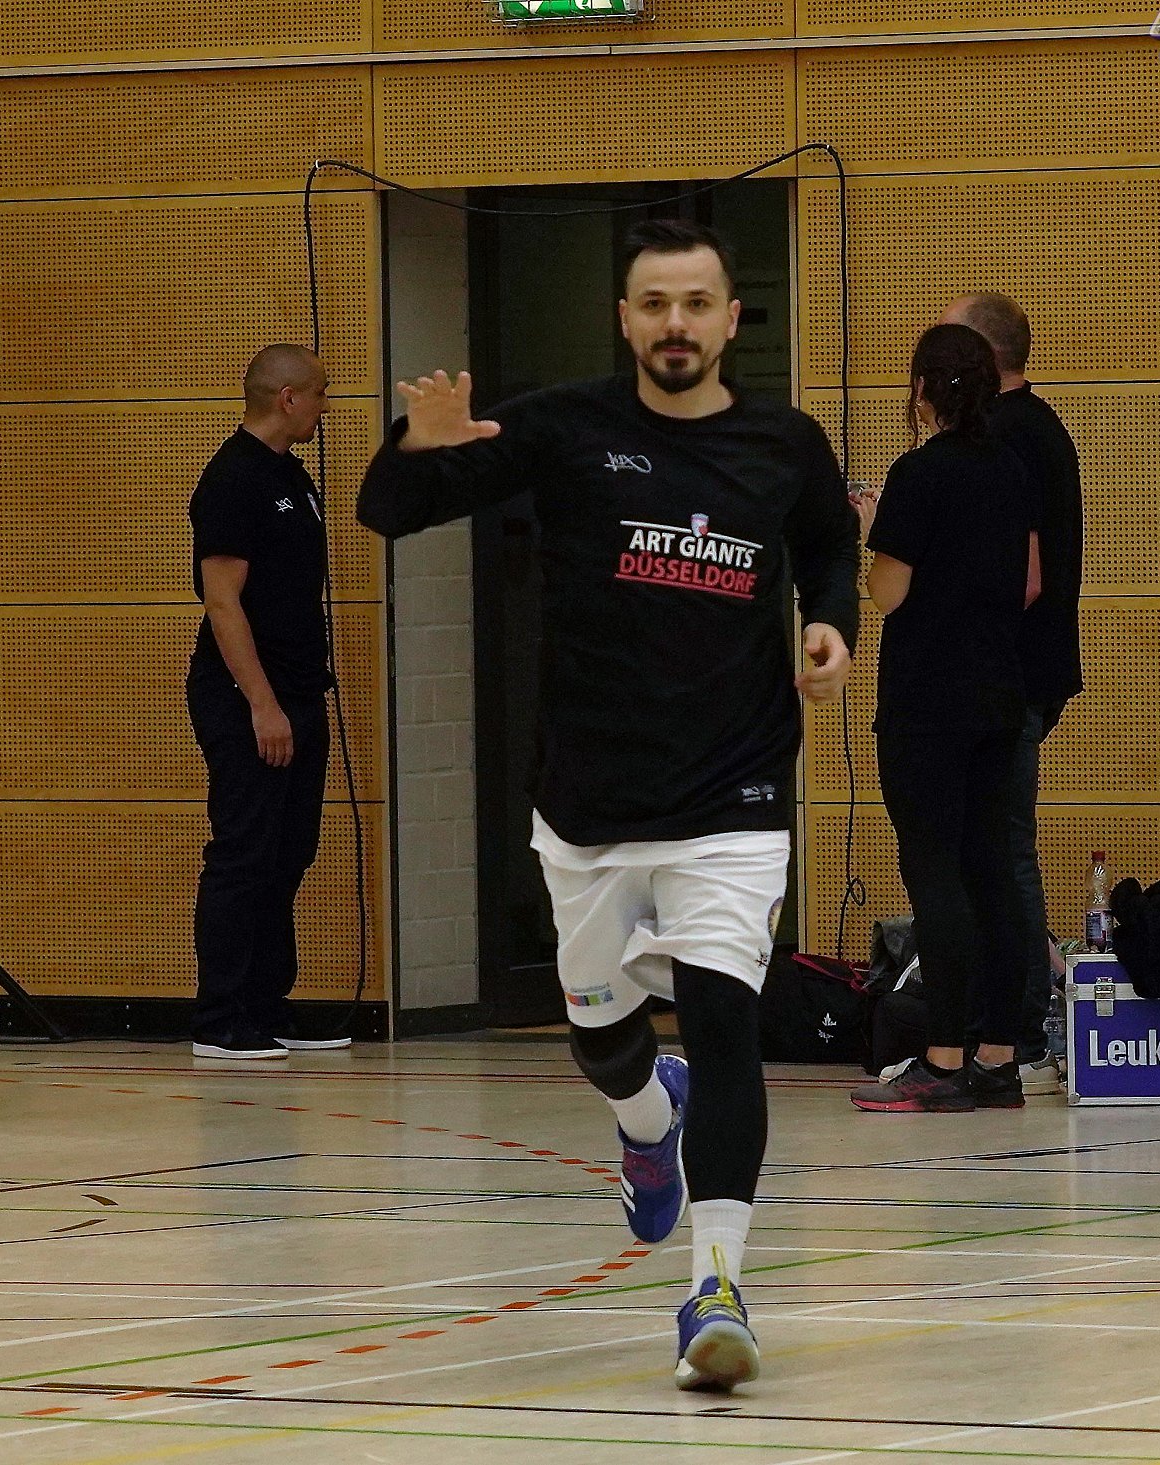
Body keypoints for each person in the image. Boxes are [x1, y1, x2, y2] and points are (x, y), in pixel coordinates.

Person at [357, 219, 859, 1390]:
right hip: (587, 798)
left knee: (724, 1020)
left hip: (734, 793)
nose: (676, 324)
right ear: (625, 320)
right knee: (599, 1035)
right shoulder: (563, 427)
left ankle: (715, 1286)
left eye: (697, 302)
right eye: (655, 304)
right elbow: (388, 509)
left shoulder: (784, 442)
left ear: (732, 319)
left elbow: (829, 543)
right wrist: (415, 444)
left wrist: (830, 622)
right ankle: (644, 1120)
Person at [847, 323, 1040, 1114]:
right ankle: (998, 1058)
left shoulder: (918, 473)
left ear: (923, 389)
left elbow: (888, 593)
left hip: (928, 701)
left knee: (934, 872)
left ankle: (943, 1056)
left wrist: (872, 531)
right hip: (1000, 693)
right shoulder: (1012, 467)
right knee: (992, 871)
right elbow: (1026, 581)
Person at [188, 345, 352, 1059]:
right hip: (248, 697)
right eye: (319, 392)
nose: (325, 406)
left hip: (299, 689)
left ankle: (266, 1004)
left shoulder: (293, 474)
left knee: (290, 851)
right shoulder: (233, 478)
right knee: (245, 850)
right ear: (287, 397)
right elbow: (222, 601)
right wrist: (261, 702)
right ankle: (220, 1018)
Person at [940, 293, 1084, 1095]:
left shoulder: (1009, 435)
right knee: (995, 847)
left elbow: (1019, 573)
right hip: (1022, 669)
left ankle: (1021, 1030)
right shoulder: (1033, 426)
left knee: (1002, 850)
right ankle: (1007, 1022)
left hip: (1010, 673)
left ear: (981, 355)